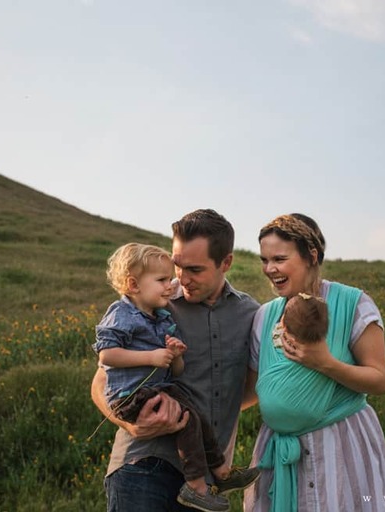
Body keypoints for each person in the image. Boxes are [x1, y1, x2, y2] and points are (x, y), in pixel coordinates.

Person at [91, 209, 260, 512]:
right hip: (143, 466)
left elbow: (252, 390)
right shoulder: (153, 303)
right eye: (178, 266)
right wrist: (131, 425)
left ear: (226, 263)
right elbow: (101, 381)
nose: (181, 279)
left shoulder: (251, 314)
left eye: (194, 269)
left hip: (206, 484)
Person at [243, 213, 385, 511]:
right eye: (264, 260)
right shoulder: (264, 316)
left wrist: (325, 362)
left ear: (310, 255)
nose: (269, 269)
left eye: (279, 258)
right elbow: (253, 390)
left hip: (341, 448)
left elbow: (379, 380)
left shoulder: (354, 304)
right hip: (281, 454)